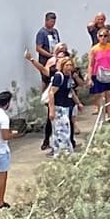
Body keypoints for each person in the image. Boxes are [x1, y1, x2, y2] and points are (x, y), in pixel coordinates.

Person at [28, 11, 63, 152]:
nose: (53, 23)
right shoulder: (41, 33)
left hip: (55, 60)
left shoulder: (55, 32)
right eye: (51, 21)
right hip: (46, 61)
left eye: (54, 21)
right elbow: (38, 48)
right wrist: (51, 56)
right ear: (46, 20)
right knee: (47, 81)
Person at [87, 25, 110, 116]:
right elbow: (91, 64)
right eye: (101, 36)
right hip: (98, 74)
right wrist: (89, 77)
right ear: (98, 37)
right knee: (100, 95)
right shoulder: (94, 49)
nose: (103, 38)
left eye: (105, 36)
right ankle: (101, 116)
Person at [46, 54, 77, 153]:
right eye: (66, 65)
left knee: (64, 129)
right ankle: (61, 151)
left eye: (70, 65)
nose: (69, 68)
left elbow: (70, 90)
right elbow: (51, 92)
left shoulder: (69, 76)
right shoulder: (59, 76)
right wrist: (51, 110)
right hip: (58, 107)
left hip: (66, 106)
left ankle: (63, 151)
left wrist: (78, 103)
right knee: (61, 130)